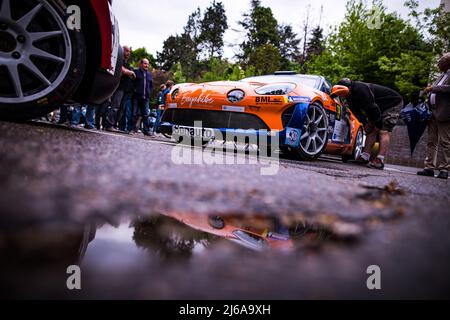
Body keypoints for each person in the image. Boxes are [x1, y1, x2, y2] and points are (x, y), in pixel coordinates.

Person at [337, 78, 403, 170]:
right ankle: (365, 157)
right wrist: (365, 123)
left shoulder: (360, 89)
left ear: (348, 88)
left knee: (383, 131)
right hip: (376, 107)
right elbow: (357, 112)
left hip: (391, 104)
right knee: (370, 130)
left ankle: (379, 160)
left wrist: (377, 124)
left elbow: (372, 107)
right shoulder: (349, 96)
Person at [417, 52, 450, 180]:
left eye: (440, 62)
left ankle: (444, 169)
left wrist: (433, 89)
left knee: (446, 142)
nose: (438, 64)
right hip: (433, 112)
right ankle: (429, 167)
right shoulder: (442, 75)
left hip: (445, 113)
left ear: (447, 62)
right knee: (431, 141)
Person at [109, 46, 136, 132]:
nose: (128, 53)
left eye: (129, 52)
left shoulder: (126, 63)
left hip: (125, 89)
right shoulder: (119, 59)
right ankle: (109, 125)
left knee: (121, 109)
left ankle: (114, 125)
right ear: (123, 51)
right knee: (115, 107)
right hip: (118, 87)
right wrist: (131, 72)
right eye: (127, 51)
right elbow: (122, 70)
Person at [131, 59, 153, 136]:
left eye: (147, 64)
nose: (146, 65)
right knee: (134, 113)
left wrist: (149, 93)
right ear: (141, 64)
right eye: (145, 63)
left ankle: (146, 131)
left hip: (145, 98)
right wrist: (135, 90)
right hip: (136, 97)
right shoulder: (136, 72)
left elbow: (151, 86)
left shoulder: (149, 75)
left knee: (146, 114)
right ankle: (132, 129)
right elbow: (132, 83)